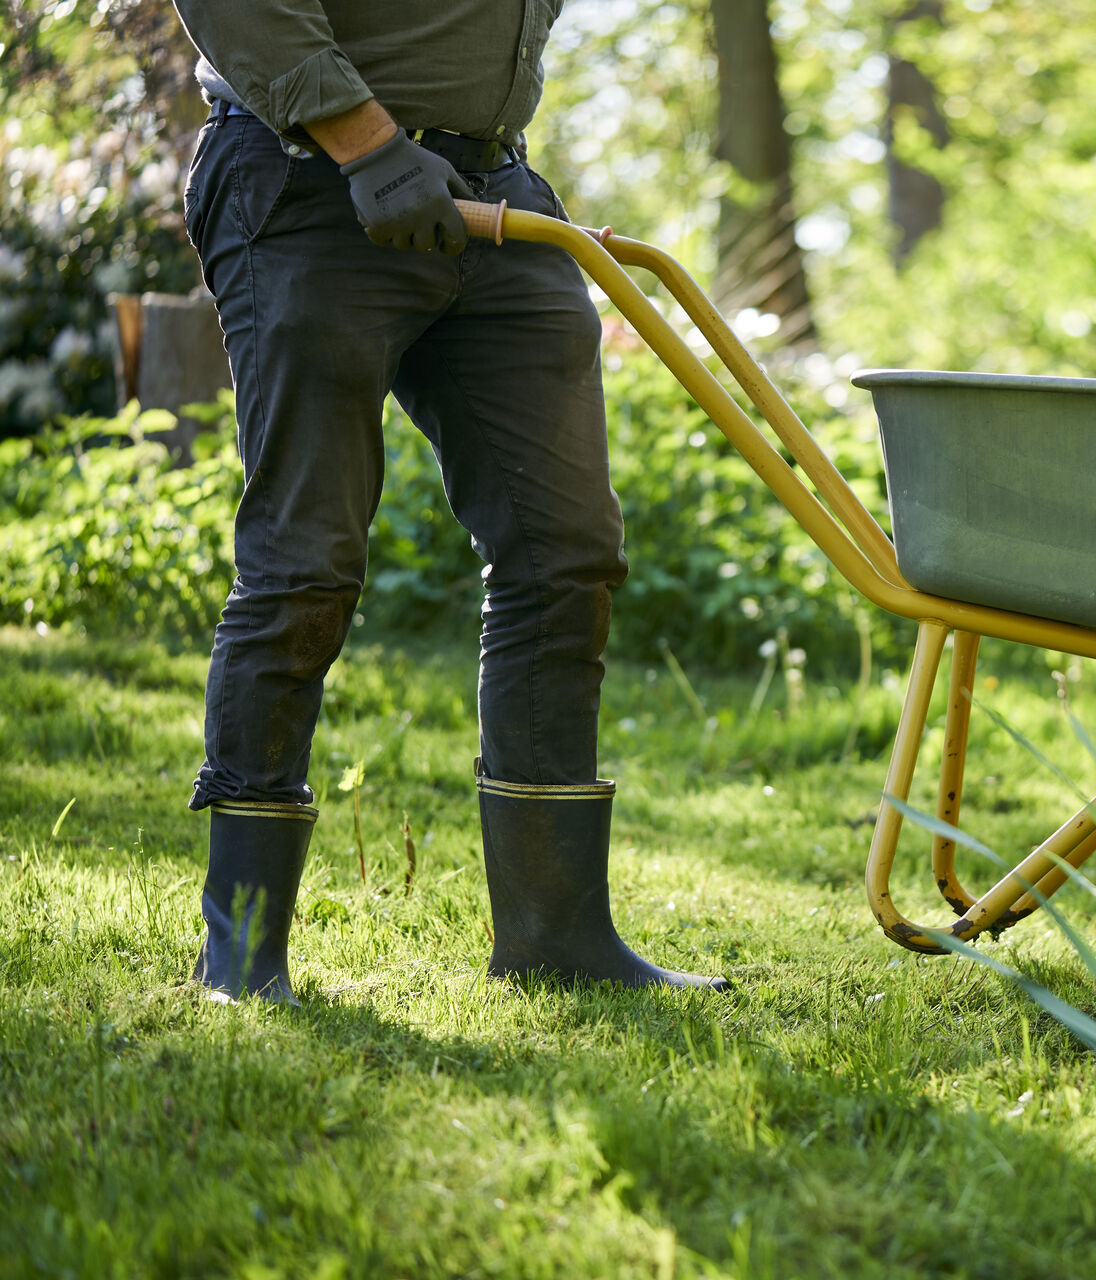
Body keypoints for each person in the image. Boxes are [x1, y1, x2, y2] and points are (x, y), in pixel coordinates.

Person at [169, 0, 725, 1000]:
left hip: (493, 188)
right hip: (306, 183)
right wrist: (368, 143)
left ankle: (556, 933)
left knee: (566, 548)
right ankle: (241, 950)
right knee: (306, 561)